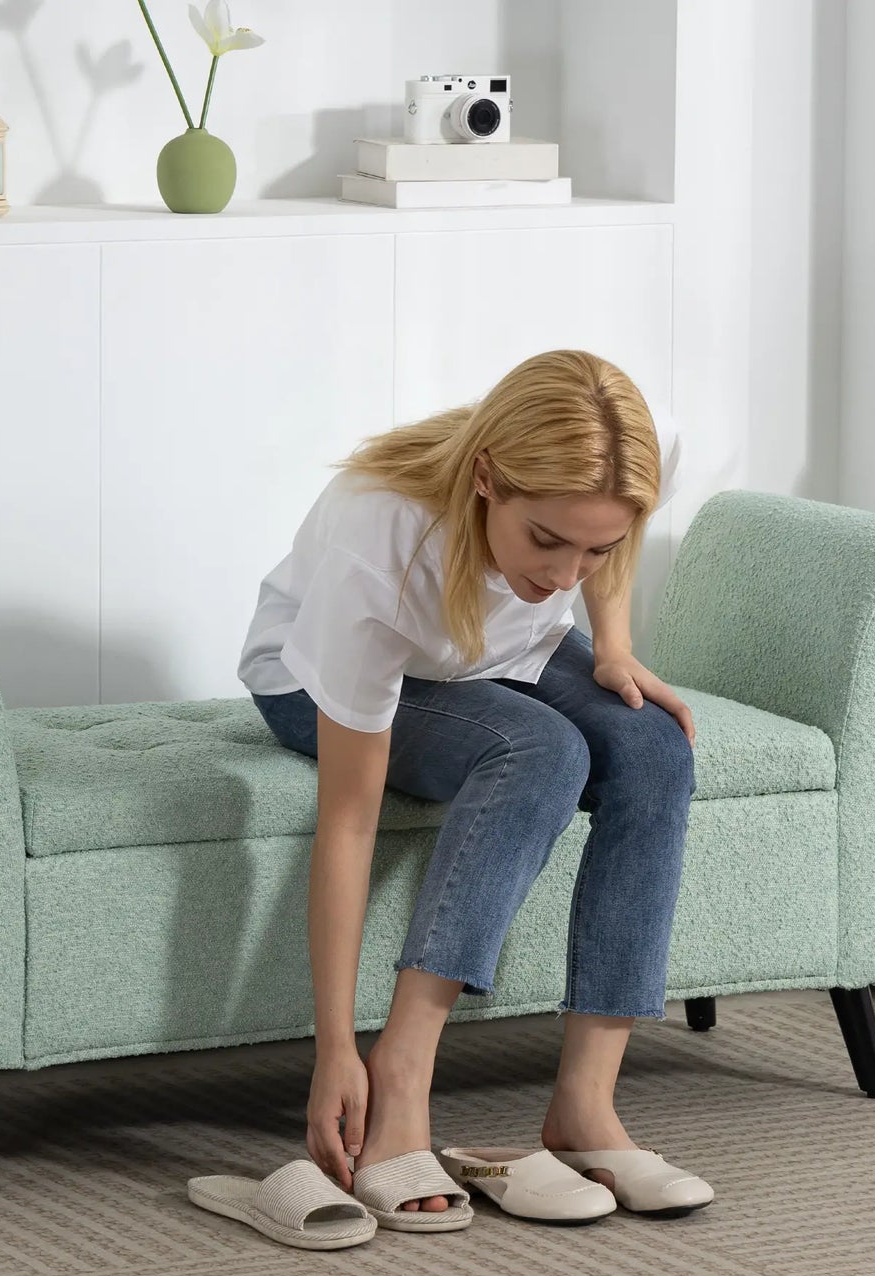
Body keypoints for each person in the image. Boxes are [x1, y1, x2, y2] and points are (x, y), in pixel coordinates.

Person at [236, 349, 707, 1221]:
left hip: (490, 653)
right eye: (546, 540)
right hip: (314, 682)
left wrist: (610, 642)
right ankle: (402, 1079)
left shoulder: (640, 442)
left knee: (652, 748)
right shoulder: (378, 550)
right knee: (542, 751)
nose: (568, 574)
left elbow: (606, 544)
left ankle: (584, 1106)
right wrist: (334, 1046)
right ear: (488, 477)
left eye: (592, 547)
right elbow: (348, 820)